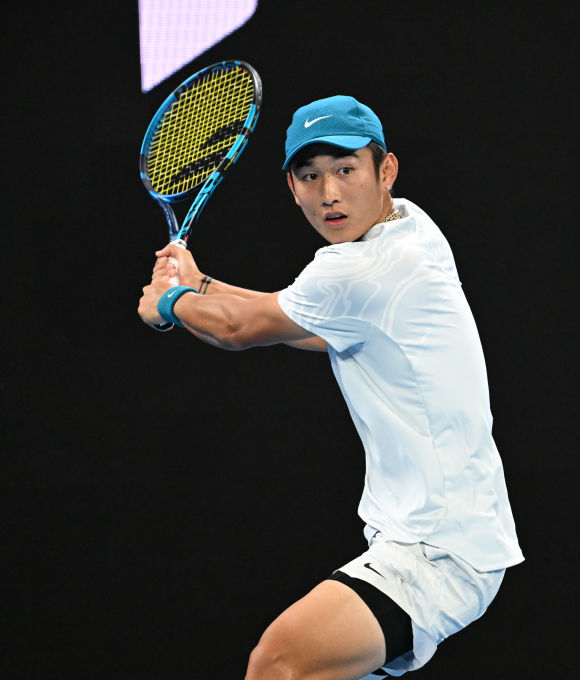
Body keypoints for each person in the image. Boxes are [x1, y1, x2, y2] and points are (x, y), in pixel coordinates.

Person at [138, 95, 523, 680]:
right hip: (444, 536)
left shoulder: (361, 267)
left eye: (346, 169)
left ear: (385, 170)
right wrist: (203, 286)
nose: (330, 193)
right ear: (291, 187)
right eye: (311, 176)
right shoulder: (411, 226)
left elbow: (241, 329)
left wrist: (169, 303)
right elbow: (315, 325)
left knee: (278, 663)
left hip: (437, 546)